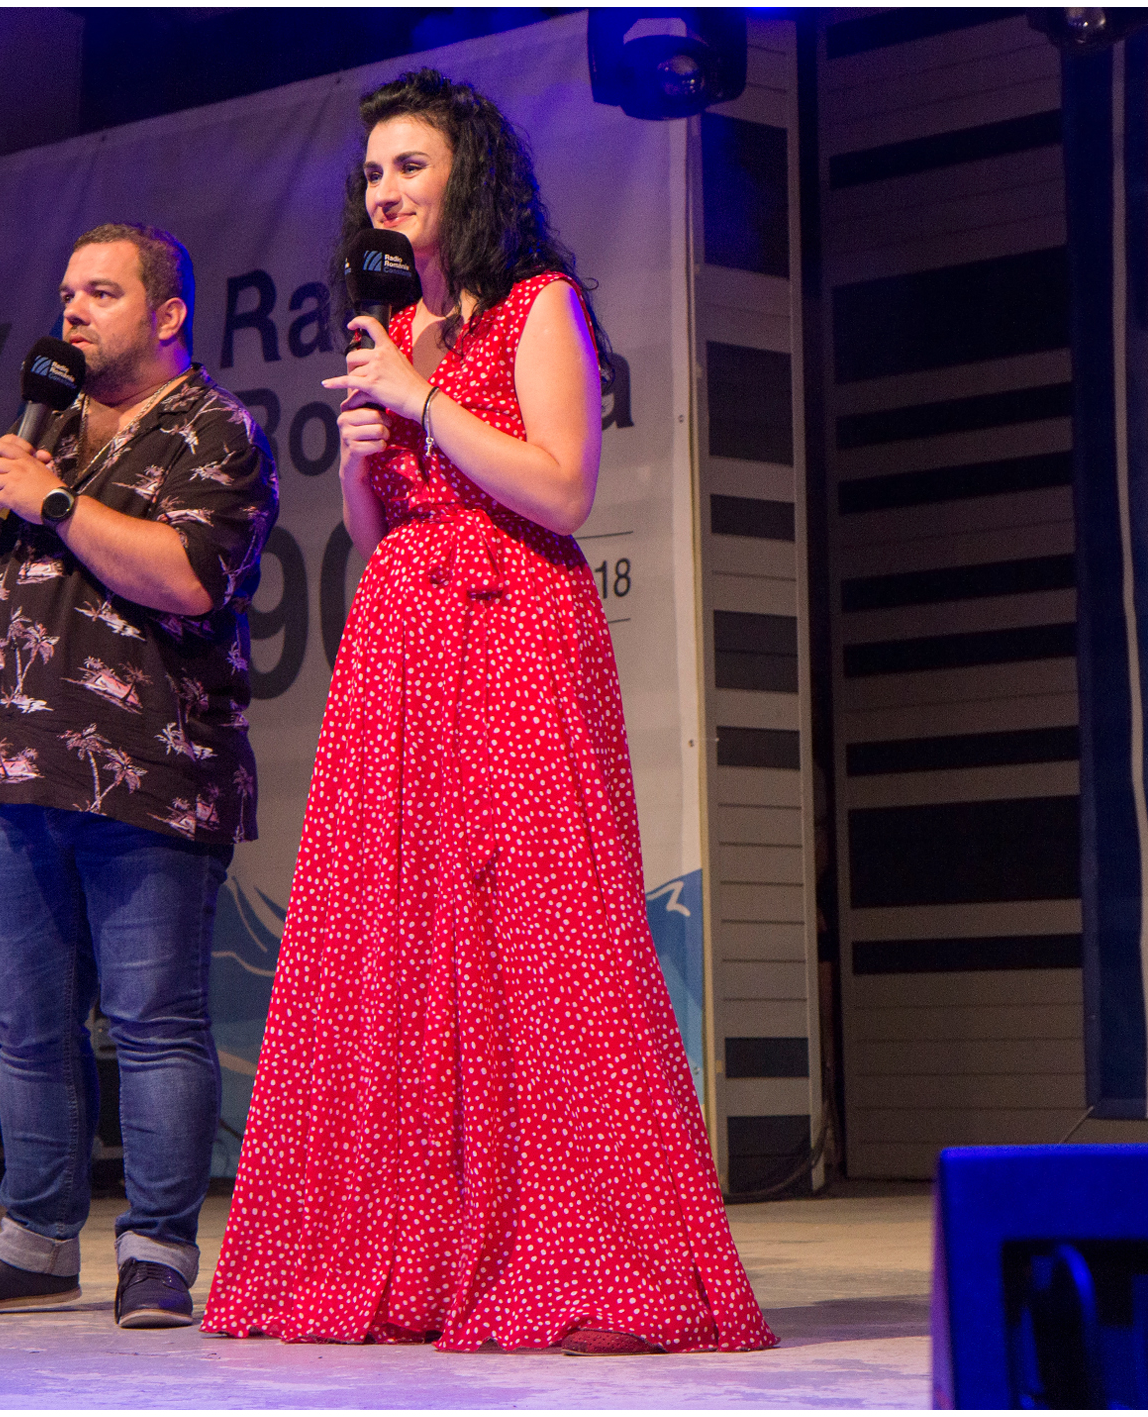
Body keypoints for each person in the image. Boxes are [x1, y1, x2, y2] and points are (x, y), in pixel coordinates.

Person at [200, 71, 778, 1355]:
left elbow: (562, 491)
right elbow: (378, 530)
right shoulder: (393, 330)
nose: (384, 190)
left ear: (469, 173)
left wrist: (423, 403)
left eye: (408, 165)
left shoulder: (539, 304)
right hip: (400, 643)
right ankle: (415, 1256)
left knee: (544, 936)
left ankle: (592, 1252)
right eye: (370, 173)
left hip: (514, 631)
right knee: (402, 943)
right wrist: (364, 460)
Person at [0, 223, 279, 1330]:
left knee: (154, 1022)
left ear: (167, 314)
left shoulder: (214, 429)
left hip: (154, 776)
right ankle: (34, 1240)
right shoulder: (46, 432)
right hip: (26, 774)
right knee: (26, 1022)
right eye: (67, 292)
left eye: (101, 293)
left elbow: (189, 577)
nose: (71, 311)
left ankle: (157, 1252)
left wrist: (57, 504)